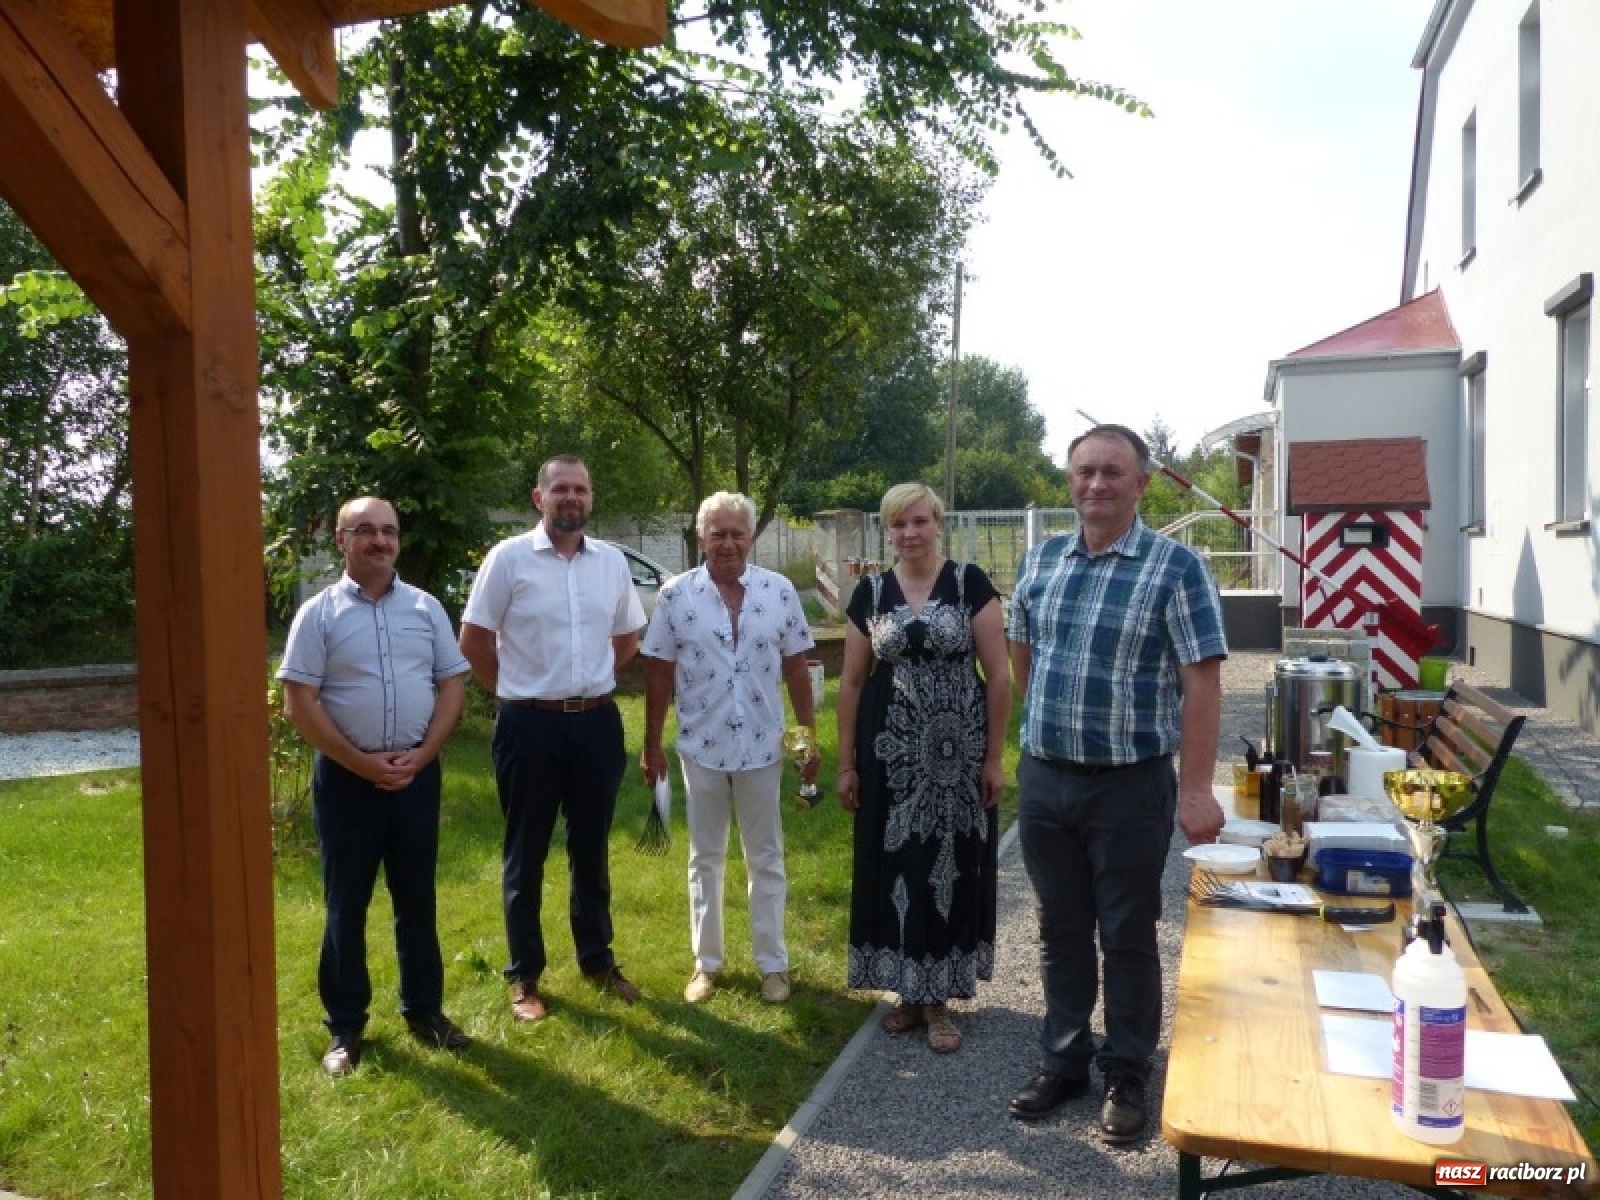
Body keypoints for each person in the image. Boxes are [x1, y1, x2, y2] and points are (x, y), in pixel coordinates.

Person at [1004, 423, 1226, 1144]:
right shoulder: (1041, 563)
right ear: (1069, 481)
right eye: (1084, 471)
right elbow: (1023, 652)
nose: (1095, 484)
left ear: (1142, 483)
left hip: (1130, 787)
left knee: (1126, 932)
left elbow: (1202, 685)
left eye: (1112, 472)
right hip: (1047, 781)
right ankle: (1065, 1059)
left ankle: (1127, 1070)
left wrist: (1194, 790)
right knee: (1059, 928)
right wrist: (1035, 739)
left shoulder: (1175, 569)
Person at [278, 496, 472, 1077]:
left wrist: (423, 756)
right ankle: (345, 1027)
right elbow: (299, 703)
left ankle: (425, 1011)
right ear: (342, 541)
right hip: (346, 781)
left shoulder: (425, 607)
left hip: (417, 776)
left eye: (388, 531)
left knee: (417, 899)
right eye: (365, 531)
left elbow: (452, 686)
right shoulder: (319, 614)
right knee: (347, 905)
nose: (380, 541)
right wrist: (362, 764)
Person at [459, 455, 648, 1023]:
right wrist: (517, 692)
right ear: (538, 498)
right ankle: (524, 977)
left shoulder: (611, 562)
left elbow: (627, 638)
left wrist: (588, 685)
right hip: (529, 726)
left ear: (591, 500)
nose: (571, 498)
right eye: (560, 489)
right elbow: (473, 641)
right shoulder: (509, 559)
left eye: (581, 490)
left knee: (590, 850)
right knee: (527, 853)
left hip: (595, 723)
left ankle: (597, 959)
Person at [835, 483, 1010, 1055]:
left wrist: (992, 757)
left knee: (948, 868)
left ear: (937, 524)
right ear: (888, 531)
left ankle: (938, 999)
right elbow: (854, 682)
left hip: (956, 760)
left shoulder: (970, 584)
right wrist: (846, 765)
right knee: (895, 867)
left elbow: (999, 676)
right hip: (891, 759)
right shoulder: (871, 593)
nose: (909, 534)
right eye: (898, 525)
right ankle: (907, 992)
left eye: (919, 522)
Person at [639, 492, 819, 1005]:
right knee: (706, 857)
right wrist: (651, 746)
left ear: (752, 538)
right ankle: (707, 963)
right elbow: (658, 673)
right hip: (702, 747)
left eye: (738, 532)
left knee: (766, 856)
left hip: (764, 745)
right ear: (701, 538)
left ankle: (773, 965)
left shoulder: (779, 591)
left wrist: (805, 742)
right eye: (717, 533)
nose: (728, 542)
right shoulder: (676, 596)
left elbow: (796, 669)